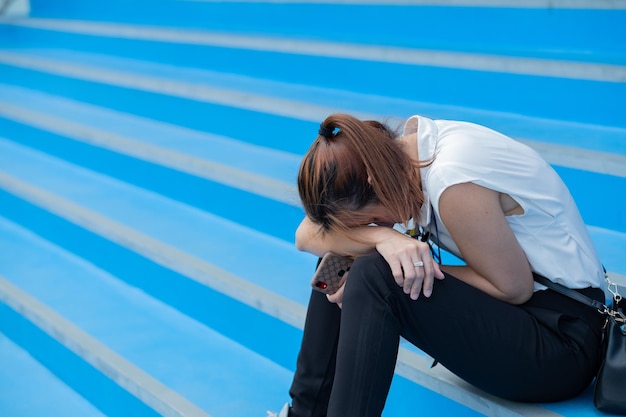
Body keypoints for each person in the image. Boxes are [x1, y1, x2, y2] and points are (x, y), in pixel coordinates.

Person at [271, 113, 606, 417]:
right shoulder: (398, 154)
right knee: (348, 252)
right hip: (517, 322)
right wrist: (385, 240)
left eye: (374, 219)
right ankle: (304, 414)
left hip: (560, 343)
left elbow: (514, 288)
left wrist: (405, 258)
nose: (380, 225)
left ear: (373, 181)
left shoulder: (452, 179)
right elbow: (307, 235)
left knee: (375, 274)